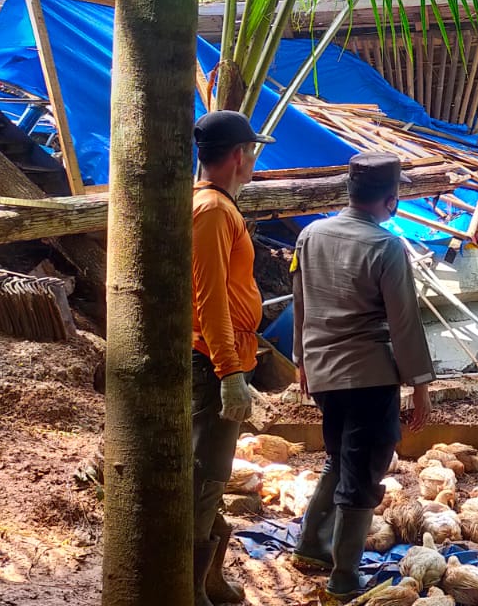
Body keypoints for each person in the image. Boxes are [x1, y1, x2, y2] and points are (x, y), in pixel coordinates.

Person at [288, 152, 435, 598]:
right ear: (392, 201)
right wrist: (421, 386)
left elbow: (301, 303)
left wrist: (301, 361)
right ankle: (345, 576)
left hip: (324, 375)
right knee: (363, 473)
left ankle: (312, 544)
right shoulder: (386, 246)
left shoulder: (310, 235)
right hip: (369, 376)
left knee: (338, 457)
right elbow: (404, 321)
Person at [189, 110, 274, 606]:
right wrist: (229, 373)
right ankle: (190, 586)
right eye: (253, 151)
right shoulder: (214, 211)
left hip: (219, 352)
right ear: (240, 155)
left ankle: (207, 579)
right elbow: (210, 299)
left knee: (212, 470)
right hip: (210, 358)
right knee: (207, 470)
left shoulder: (214, 205)